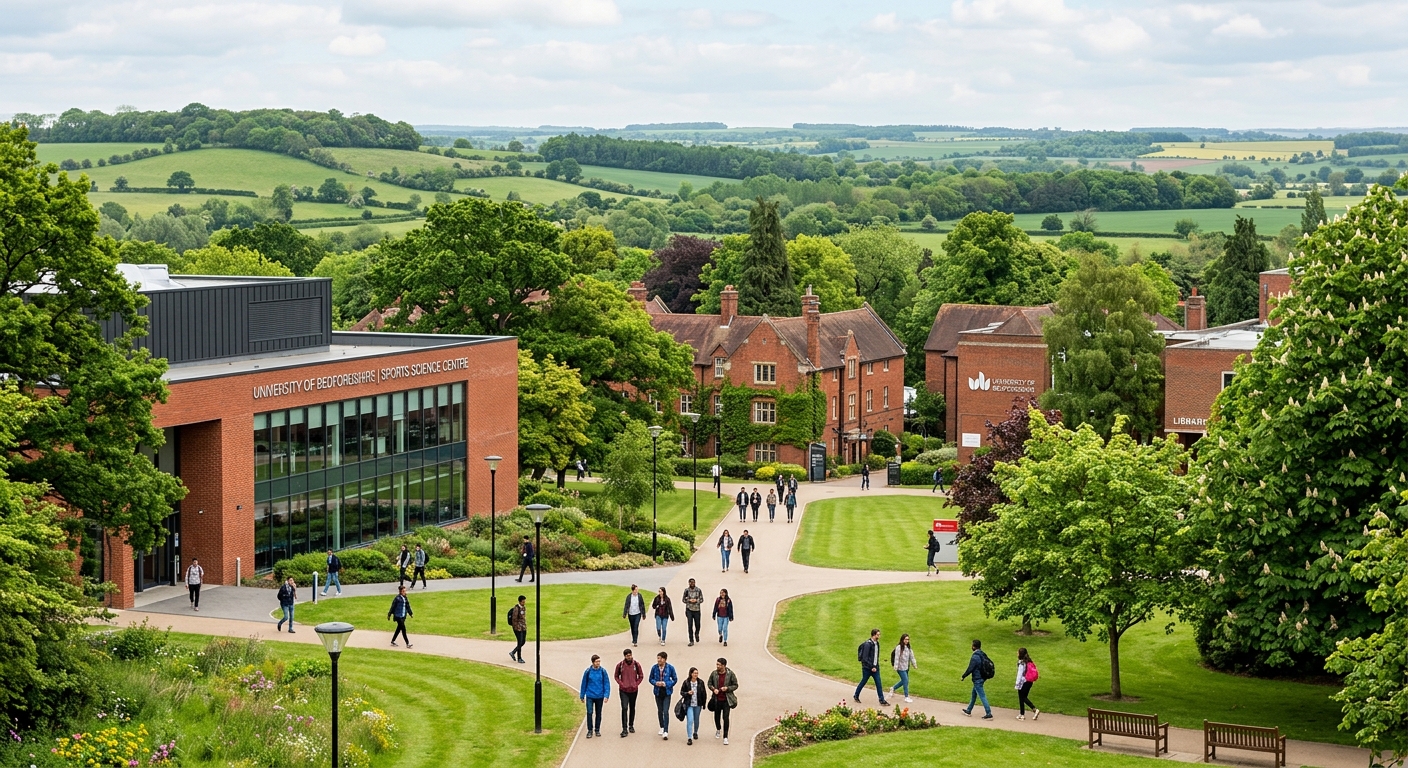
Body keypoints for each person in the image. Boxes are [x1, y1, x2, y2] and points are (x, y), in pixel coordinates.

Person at [578, 655, 611, 739]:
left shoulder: (603, 671)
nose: (598, 663)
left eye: (599, 661)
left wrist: (606, 695)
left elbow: (606, 683)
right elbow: (584, 683)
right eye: (597, 661)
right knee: (589, 712)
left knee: (598, 713)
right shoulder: (588, 671)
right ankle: (590, 730)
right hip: (590, 695)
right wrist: (582, 695)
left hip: (599, 695)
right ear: (593, 662)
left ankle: (597, 729)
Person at [708, 657, 738, 745]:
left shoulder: (730, 674)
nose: (717, 666)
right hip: (717, 699)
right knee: (717, 717)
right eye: (717, 664)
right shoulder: (714, 674)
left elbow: (735, 685)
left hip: (726, 700)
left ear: (723, 666)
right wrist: (713, 689)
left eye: (719, 665)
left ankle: (725, 736)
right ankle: (718, 729)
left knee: (726, 718)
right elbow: (709, 683)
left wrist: (727, 688)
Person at [853, 628, 889, 705]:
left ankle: (881, 700)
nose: (879, 636)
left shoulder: (877, 644)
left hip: (875, 667)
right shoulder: (867, 644)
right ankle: (856, 695)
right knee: (863, 682)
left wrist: (876, 666)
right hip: (867, 668)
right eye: (878, 635)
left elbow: (876, 656)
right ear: (873, 635)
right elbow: (865, 658)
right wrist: (871, 667)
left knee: (879, 683)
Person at [961, 639, 994, 719]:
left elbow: (970, 668)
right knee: (974, 695)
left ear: (973, 646)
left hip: (977, 679)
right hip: (982, 677)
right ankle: (969, 710)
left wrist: (963, 676)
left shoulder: (975, 657)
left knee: (982, 696)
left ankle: (988, 713)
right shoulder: (982, 654)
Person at [614, 648, 643, 737]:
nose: (629, 657)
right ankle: (624, 728)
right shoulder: (620, 665)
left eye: (630, 655)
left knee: (632, 707)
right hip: (624, 690)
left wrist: (636, 684)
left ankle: (631, 725)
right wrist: (621, 684)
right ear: (625, 656)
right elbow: (616, 676)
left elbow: (641, 675)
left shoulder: (636, 664)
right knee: (624, 707)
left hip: (634, 690)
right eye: (627, 656)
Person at [649, 651, 678, 740]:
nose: (658, 660)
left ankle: (666, 730)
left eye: (660, 658)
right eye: (658, 658)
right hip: (658, 691)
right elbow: (650, 679)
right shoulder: (654, 668)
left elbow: (675, 679)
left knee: (666, 711)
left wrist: (666, 683)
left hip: (666, 692)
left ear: (664, 659)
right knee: (660, 710)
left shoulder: (670, 668)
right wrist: (656, 683)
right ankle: (661, 726)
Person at [679, 667, 706, 745]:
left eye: (697, 673)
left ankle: (695, 732)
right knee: (690, 720)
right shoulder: (686, 682)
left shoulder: (700, 682)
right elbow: (681, 692)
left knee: (696, 719)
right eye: (694, 673)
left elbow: (704, 693)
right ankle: (689, 737)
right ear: (691, 674)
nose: (696, 675)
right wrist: (688, 693)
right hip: (689, 704)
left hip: (698, 704)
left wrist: (703, 704)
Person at [889, 633, 918, 703]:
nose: (907, 641)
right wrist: (895, 666)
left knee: (904, 680)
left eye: (908, 639)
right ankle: (906, 696)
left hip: (906, 667)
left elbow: (912, 657)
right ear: (902, 640)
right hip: (900, 667)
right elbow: (896, 657)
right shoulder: (899, 647)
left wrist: (914, 664)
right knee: (905, 681)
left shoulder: (908, 648)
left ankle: (893, 688)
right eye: (905, 639)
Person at [1015, 647, 1040, 720]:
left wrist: (1017, 684)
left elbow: (1019, 675)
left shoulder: (1021, 663)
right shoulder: (1029, 661)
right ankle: (1021, 714)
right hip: (1029, 682)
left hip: (1023, 682)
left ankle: (1034, 709)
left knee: (1022, 697)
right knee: (1023, 697)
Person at [682, 578, 705, 646]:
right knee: (690, 625)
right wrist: (689, 600)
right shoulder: (686, 591)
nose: (692, 584)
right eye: (691, 583)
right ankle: (691, 640)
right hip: (689, 609)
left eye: (693, 583)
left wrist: (696, 601)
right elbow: (683, 599)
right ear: (689, 583)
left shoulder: (698, 590)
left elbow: (702, 599)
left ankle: (697, 633)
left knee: (697, 624)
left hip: (697, 609)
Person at [508, 594, 528, 663]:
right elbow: (514, 619)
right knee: (519, 642)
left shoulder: (523, 608)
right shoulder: (516, 609)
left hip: (523, 627)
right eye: (523, 602)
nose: (524, 603)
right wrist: (517, 628)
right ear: (519, 602)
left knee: (523, 641)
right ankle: (519, 657)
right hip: (518, 628)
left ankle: (513, 652)